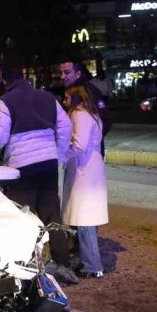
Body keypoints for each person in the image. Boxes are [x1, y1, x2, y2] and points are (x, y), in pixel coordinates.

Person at [0, 72, 79, 284]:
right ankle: (62, 263)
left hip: (21, 168)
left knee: (22, 216)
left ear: (7, 82)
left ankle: (24, 265)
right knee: (52, 214)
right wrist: (57, 153)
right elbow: (65, 127)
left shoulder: (6, 102)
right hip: (48, 164)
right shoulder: (48, 98)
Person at [61, 84, 109, 278]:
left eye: (66, 98)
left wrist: (62, 154)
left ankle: (92, 266)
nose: (64, 101)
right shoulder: (91, 113)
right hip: (91, 167)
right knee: (86, 217)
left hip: (84, 168)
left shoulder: (78, 114)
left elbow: (79, 144)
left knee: (84, 218)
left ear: (74, 98)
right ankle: (87, 261)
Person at [60, 59, 111, 155]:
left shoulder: (90, 93)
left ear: (78, 74)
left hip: (88, 155)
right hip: (76, 154)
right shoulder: (69, 92)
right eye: (61, 72)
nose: (62, 76)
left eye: (66, 72)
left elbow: (105, 121)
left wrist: (91, 142)